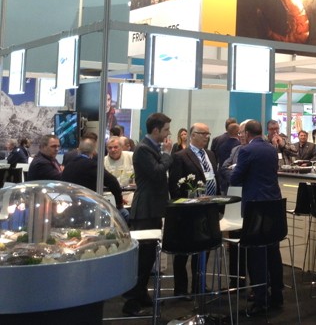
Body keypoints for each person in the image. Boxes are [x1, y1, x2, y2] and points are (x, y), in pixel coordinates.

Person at [229, 120, 284, 316]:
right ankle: (277, 294)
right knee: (273, 251)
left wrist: (233, 171)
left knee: (256, 253)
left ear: (247, 133)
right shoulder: (271, 149)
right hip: (274, 204)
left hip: (255, 207)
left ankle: (261, 299)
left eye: (241, 132)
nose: (240, 136)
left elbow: (235, 178)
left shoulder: (246, 151)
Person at [123, 113, 173, 317]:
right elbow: (157, 172)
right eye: (166, 129)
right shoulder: (144, 149)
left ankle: (141, 293)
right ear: (156, 130)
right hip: (145, 209)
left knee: (149, 255)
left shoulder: (151, 147)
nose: (168, 133)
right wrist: (167, 155)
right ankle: (132, 301)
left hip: (153, 208)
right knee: (142, 258)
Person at [168, 122, 218, 297]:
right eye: (203, 133)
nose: (207, 137)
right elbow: (174, 186)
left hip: (209, 209)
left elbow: (214, 178)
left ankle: (199, 285)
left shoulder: (211, 155)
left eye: (208, 134)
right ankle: (181, 289)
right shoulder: (180, 156)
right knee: (183, 252)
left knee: (204, 249)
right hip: (188, 211)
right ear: (193, 135)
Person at [62, 138, 126, 216]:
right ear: (93, 151)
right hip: (87, 207)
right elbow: (113, 181)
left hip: (70, 207)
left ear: (78, 150)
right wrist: (119, 204)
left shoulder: (69, 165)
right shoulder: (92, 165)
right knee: (124, 214)